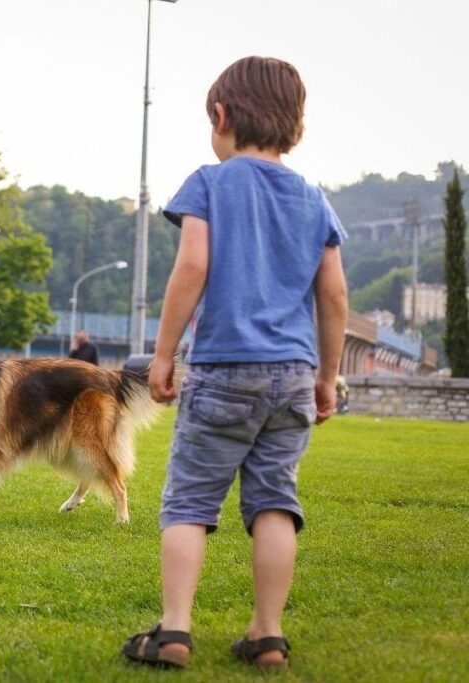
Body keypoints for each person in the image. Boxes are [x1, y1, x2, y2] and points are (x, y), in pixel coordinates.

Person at [121, 57, 348, 671]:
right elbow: (333, 295)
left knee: (190, 501)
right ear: (294, 122)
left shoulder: (209, 183)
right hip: (294, 374)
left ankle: (174, 631)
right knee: (275, 502)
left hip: (223, 369)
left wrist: (163, 355)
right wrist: (327, 376)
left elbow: (191, 267)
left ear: (220, 116)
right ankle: (268, 635)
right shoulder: (313, 199)